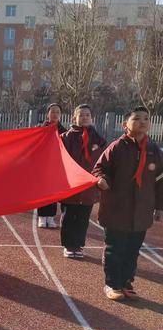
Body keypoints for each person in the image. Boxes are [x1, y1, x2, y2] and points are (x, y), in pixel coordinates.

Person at [92, 106, 163, 300]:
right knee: (115, 249)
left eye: (146, 119)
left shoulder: (153, 149)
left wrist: (159, 206)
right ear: (125, 125)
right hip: (117, 208)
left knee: (132, 250)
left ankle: (126, 283)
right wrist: (101, 179)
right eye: (137, 118)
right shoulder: (117, 147)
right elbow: (99, 168)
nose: (142, 122)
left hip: (141, 211)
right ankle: (112, 284)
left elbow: (160, 179)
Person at [60, 104, 106, 258]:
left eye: (87, 115)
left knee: (83, 218)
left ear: (91, 118)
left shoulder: (98, 138)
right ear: (75, 118)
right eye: (81, 115)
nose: (85, 117)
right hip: (71, 185)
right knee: (68, 217)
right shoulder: (66, 137)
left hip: (88, 187)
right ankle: (68, 245)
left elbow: (105, 159)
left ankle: (78, 245)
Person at [37, 103, 67, 229]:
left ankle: (50, 217)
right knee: (42, 191)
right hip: (42, 164)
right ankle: (42, 217)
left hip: (56, 165)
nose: (55, 114)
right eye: (52, 112)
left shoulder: (64, 131)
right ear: (48, 114)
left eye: (57, 112)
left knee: (53, 191)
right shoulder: (40, 128)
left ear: (60, 115)